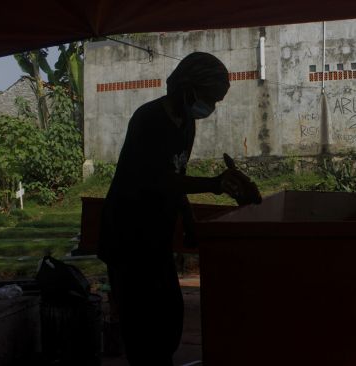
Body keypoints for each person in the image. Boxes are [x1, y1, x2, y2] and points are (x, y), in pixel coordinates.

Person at [98, 52, 261, 365]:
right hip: (127, 237)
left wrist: (189, 221)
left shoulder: (186, 123)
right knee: (143, 332)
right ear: (188, 89)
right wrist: (216, 184)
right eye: (210, 98)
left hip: (154, 238)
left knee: (169, 321)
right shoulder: (148, 120)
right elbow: (159, 179)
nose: (211, 107)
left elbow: (177, 175)